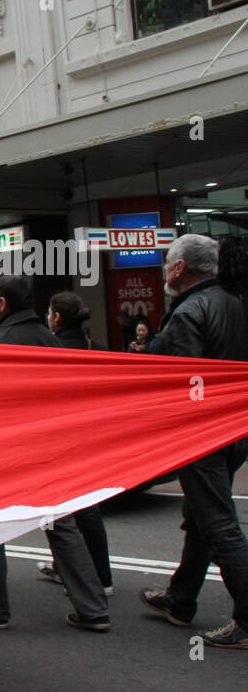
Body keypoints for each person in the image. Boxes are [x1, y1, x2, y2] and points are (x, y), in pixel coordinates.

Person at [0, 275, 111, 632]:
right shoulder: (49, 341)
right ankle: (93, 608)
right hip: (52, 449)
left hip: (7, 451)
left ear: (2, 304)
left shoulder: (2, 343)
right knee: (61, 524)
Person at [141, 234, 248, 647]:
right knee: (202, 516)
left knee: (219, 524)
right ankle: (180, 599)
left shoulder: (189, 312)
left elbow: (178, 381)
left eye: (168, 264)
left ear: (180, 268)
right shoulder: (232, 303)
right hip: (235, 425)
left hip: (204, 433)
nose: (167, 271)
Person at [38, 292, 115, 597]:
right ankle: (98, 573)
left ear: (56, 317)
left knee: (68, 512)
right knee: (88, 508)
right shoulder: (97, 347)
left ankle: (88, 577)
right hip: (93, 436)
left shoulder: (53, 350)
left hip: (62, 438)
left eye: (49, 313)